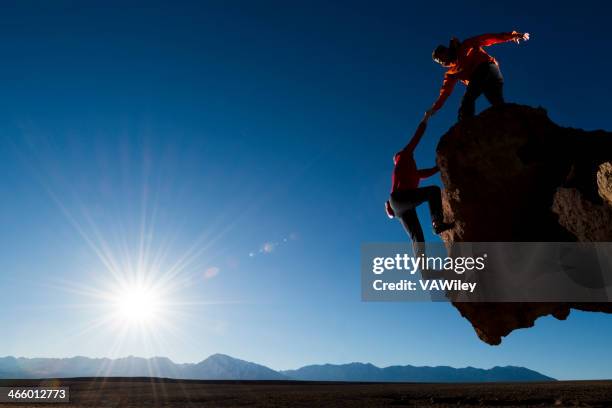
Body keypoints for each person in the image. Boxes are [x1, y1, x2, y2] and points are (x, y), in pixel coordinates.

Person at [385, 116, 454, 256]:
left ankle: (424, 271)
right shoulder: (404, 155)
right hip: (400, 199)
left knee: (417, 237)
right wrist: (425, 119)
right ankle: (437, 223)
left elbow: (430, 171)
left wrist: (441, 164)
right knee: (433, 191)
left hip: (399, 207)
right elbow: (416, 137)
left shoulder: (414, 173)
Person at [425, 31, 530, 121]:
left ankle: (466, 129)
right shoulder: (451, 73)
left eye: (440, 58)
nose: (440, 62)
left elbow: (487, 38)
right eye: (438, 61)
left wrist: (512, 36)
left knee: (467, 100)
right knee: (497, 103)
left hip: (488, 68)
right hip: (483, 81)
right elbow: (445, 92)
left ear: (446, 51)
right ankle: (511, 122)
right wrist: (434, 108)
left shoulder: (465, 45)